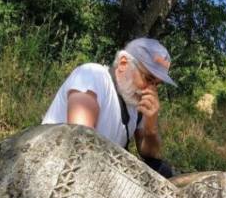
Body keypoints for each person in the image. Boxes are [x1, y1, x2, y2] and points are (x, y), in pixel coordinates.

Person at [42, 37, 175, 177]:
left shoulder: (136, 102)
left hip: (99, 169)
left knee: (162, 171)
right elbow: (79, 138)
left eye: (156, 85)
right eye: (148, 79)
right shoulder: (93, 75)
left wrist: (151, 128)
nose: (151, 90)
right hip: (57, 166)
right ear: (124, 64)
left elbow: (150, 154)